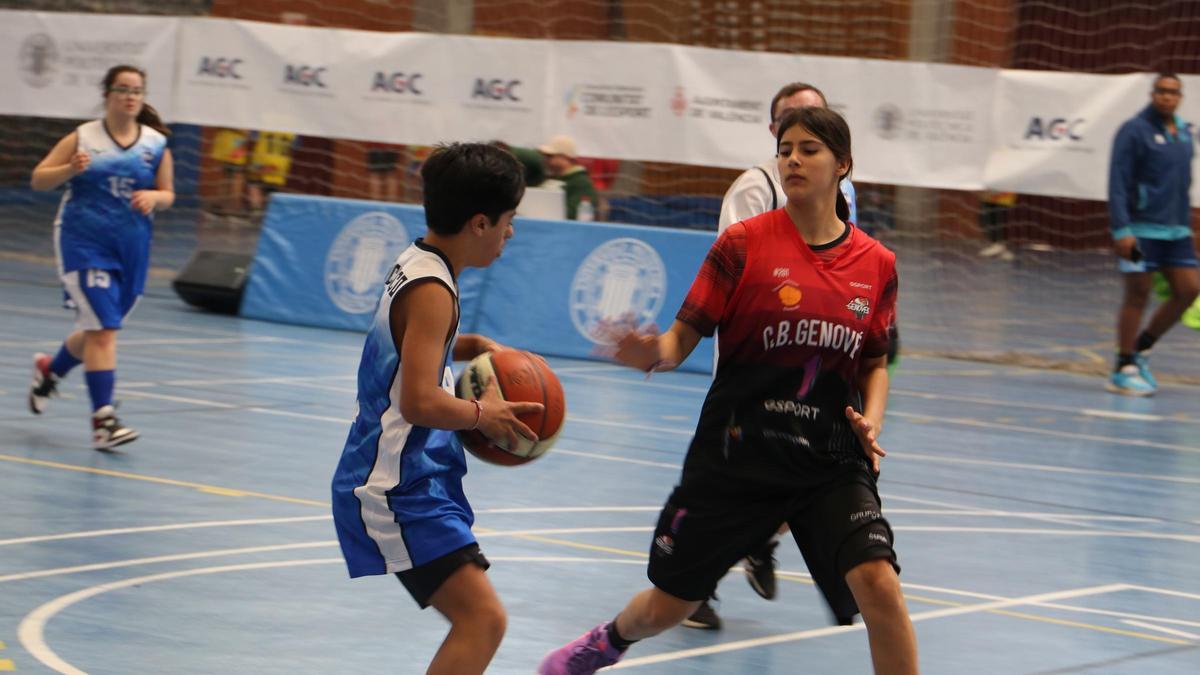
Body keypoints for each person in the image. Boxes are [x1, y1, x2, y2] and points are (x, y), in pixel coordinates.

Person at [538, 107, 918, 675]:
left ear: (843, 164)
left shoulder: (877, 264)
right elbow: (679, 340)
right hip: (738, 454)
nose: (792, 158)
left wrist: (874, 420)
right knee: (672, 605)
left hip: (828, 459)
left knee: (878, 584)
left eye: (809, 148)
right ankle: (606, 642)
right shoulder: (742, 245)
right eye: (785, 147)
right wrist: (652, 353)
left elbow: (876, 362)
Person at [330, 143, 545, 675]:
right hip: (396, 487)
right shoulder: (434, 291)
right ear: (478, 223)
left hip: (413, 479)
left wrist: (468, 344)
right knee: (484, 620)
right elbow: (419, 400)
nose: (510, 233)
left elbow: (411, 351)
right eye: (508, 220)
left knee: (481, 619)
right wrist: (483, 416)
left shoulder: (420, 261)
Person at [689, 82, 864, 631]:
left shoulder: (844, 189)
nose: (798, 145)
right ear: (774, 133)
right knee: (726, 486)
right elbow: (733, 270)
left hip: (819, 365)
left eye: (813, 123)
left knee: (809, 469)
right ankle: (693, 588)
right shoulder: (754, 188)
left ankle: (761, 538)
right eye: (790, 126)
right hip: (756, 366)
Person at [28, 64, 174, 450]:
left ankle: (50, 370)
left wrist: (155, 198)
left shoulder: (155, 144)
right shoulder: (83, 138)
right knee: (104, 330)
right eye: (123, 88)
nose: (130, 96)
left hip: (131, 247)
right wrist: (67, 168)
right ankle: (104, 421)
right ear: (107, 93)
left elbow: (168, 193)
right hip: (83, 241)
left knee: (98, 330)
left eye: (137, 90)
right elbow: (38, 178)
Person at [1107, 72, 1199, 396]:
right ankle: (1123, 366)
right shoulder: (1134, 131)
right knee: (1138, 292)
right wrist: (1122, 230)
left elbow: (1182, 184)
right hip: (1140, 231)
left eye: (1173, 92)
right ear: (1152, 94)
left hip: (1176, 232)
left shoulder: (1185, 133)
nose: (1167, 97)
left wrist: (1188, 225)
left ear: (1180, 97)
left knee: (1189, 290)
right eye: (1161, 91)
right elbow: (1117, 182)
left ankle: (1143, 348)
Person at [538, 134, 599, 220]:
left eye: (550, 156)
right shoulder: (551, 179)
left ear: (565, 157)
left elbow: (574, 214)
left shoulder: (581, 182)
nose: (546, 160)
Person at [977, 191, 1016, 261]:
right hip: (990, 192)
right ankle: (998, 246)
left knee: (998, 218)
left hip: (1003, 192)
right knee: (986, 218)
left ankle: (1000, 246)